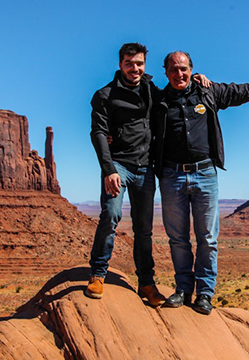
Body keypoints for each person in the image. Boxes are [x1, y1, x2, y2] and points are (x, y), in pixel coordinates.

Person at [152, 51, 249, 314]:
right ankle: (183, 290)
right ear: (165, 72)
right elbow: (133, 114)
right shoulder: (159, 100)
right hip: (171, 175)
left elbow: (241, 91)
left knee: (208, 238)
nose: (179, 74)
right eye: (174, 69)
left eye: (184, 69)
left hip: (205, 174)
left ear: (191, 70)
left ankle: (205, 294)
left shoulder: (208, 92)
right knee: (177, 238)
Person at [86, 43, 210, 305]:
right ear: (120, 64)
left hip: (145, 167)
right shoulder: (105, 95)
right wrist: (108, 169)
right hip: (118, 165)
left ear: (145, 65)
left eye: (139, 63)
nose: (135, 68)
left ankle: (146, 282)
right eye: (130, 63)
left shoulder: (151, 90)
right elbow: (98, 132)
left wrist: (198, 80)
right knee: (111, 214)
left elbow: (179, 88)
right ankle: (98, 274)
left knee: (144, 229)